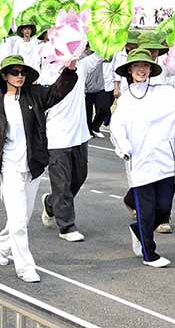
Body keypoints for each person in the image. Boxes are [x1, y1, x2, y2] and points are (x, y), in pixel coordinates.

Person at [0, 54, 79, 283]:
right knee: (19, 222)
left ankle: (1, 243)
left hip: (32, 168)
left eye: (22, 72)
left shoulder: (36, 95)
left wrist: (69, 70)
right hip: (8, 169)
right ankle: (25, 267)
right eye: (15, 72)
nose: (20, 76)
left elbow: (57, 92)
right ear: (5, 76)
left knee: (21, 218)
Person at [110, 49, 175, 268]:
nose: (141, 70)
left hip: (164, 161)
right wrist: (124, 148)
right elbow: (117, 126)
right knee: (146, 210)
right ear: (129, 71)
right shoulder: (126, 99)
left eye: (145, 66)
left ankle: (138, 232)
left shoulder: (164, 92)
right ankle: (149, 253)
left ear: (151, 69)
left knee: (163, 208)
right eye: (136, 67)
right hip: (140, 162)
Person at [39, 47, 103, 243]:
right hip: (57, 139)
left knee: (79, 177)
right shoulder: (45, 76)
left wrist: (113, 35)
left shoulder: (81, 67)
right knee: (62, 183)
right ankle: (66, 226)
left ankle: (51, 203)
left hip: (80, 136)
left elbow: (101, 54)